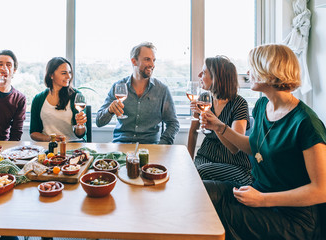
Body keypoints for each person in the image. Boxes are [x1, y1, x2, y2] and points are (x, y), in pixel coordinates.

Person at [202, 44, 326, 239]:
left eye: (253, 67)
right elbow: (253, 146)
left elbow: (321, 190)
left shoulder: (306, 123)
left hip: (292, 217)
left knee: (218, 215)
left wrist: (263, 200)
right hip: (258, 192)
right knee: (200, 192)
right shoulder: (262, 106)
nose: (248, 72)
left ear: (269, 71)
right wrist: (218, 126)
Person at [96, 42, 179, 144]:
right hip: (121, 146)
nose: (152, 65)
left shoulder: (162, 90)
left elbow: (173, 124)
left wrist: (162, 146)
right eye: (147, 59)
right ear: (134, 61)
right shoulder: (118, 87)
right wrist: (109, 110)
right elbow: (99, 122)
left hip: (151, 149)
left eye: (153, 60)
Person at [187, 56, 252, 185]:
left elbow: (234, 148)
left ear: (216, 78)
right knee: (188, 173)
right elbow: (193, 131)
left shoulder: (239, 104)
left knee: (200, 172)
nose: (199, 75)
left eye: (204, 72)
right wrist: (188, 160)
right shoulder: (204, 98)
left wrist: (215, 123)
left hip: (233, 164)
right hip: (205, 157)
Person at [30, 57, 87, 142]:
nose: (69, 76)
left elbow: (80, 135)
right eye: (64, 73)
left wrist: (80, 125)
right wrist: (50, 139)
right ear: (51, 75)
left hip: (72, 145)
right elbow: (33, 133)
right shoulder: (38, 99)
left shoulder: (76, 96)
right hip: (49, 147)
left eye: (70, 72)